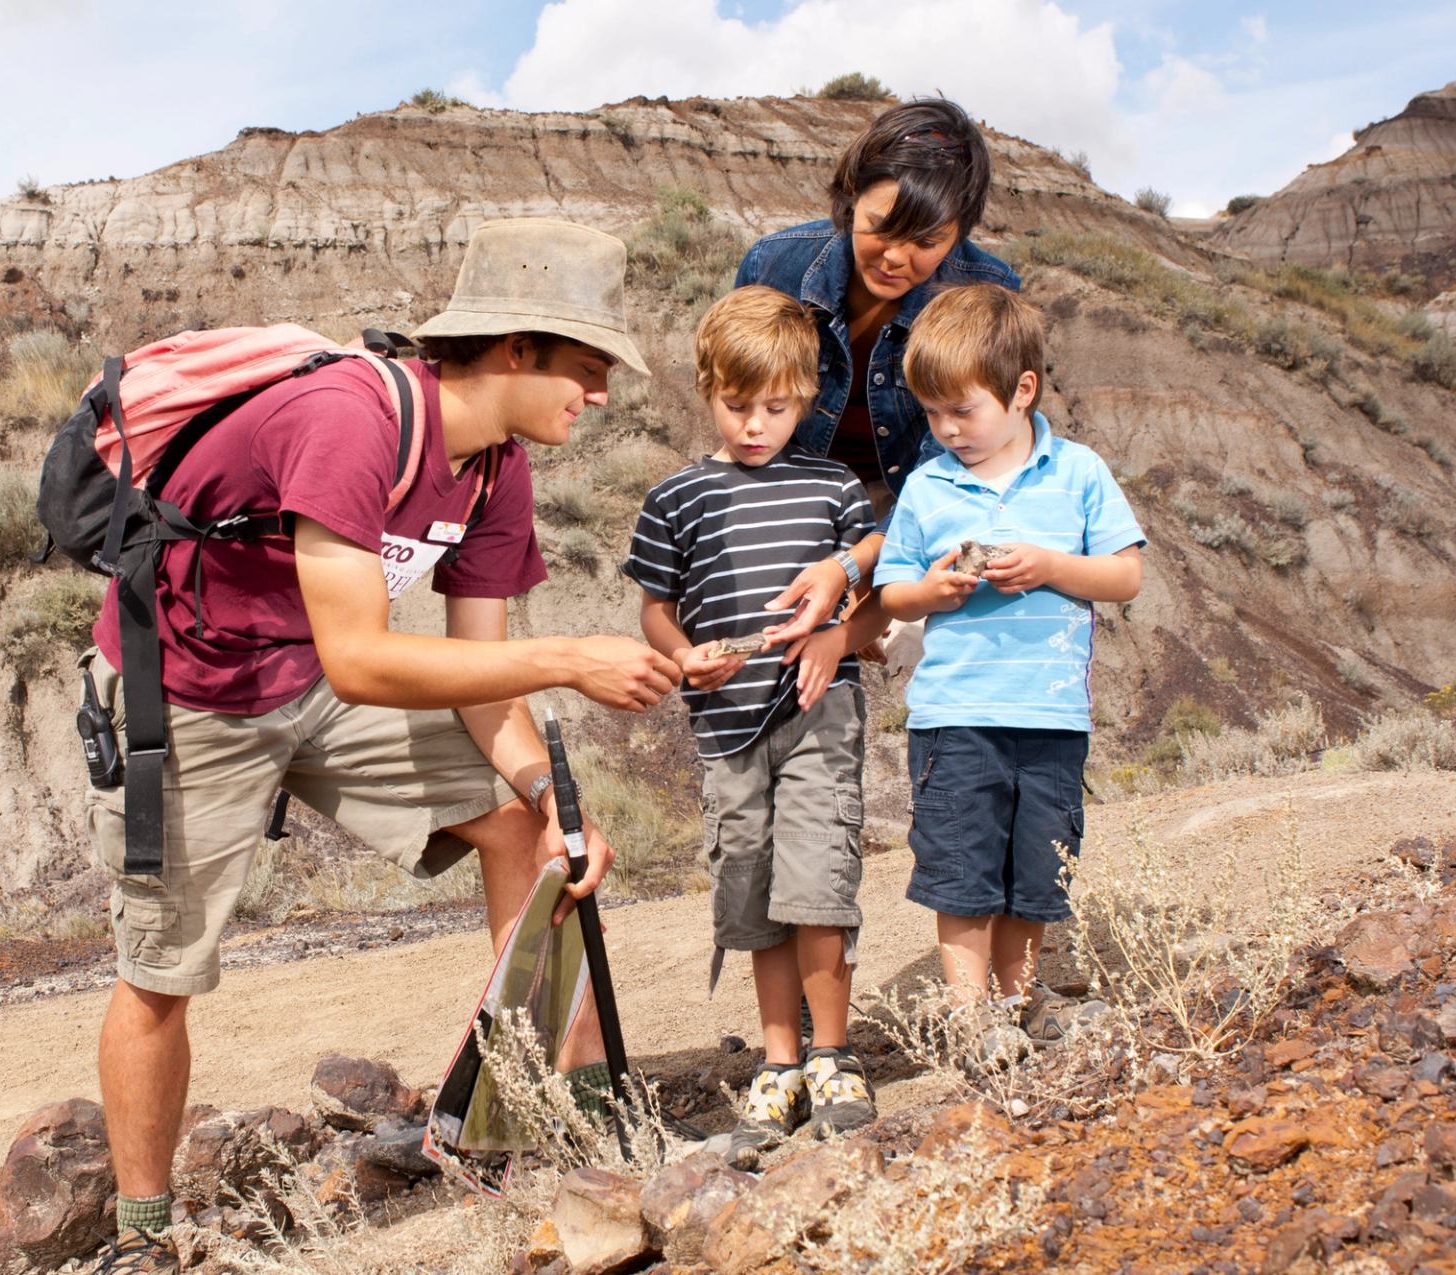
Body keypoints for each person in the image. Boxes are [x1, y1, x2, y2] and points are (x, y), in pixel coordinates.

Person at [80, 219, 682, 1273]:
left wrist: (551, 796)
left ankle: (548, 1119)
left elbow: (481, 679)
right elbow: (365, 657)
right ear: (514, 350)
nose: (599, 397)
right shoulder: (350, 419)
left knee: (522, 832)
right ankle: (141, 1234)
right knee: (163, 967)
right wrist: (573, 657)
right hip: (190, 691)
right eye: (588, 370)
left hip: (311, 675)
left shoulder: (498, 471)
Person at [621, 286, 879, 1167]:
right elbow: (656, 610)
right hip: (726, 730)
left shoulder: (835, 488)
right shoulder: (677, 498)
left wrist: (840, 619)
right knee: (756, 896)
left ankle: (835, 1055)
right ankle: (780, 1064)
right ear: (707, 389)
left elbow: (871, 576)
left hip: (818, 714)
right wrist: (686, 656)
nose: (757, 424)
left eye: (776, 406)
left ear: (806, 396)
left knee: (819, 881)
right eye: (738, 406)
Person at [860, 283, 1144, 1012]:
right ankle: (969, 1013)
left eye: (963, 409)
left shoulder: (1079, 471)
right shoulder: (928, 487)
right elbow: (893, 594)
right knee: (961, 868)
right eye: (932, 413)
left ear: (1022, 390)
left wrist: (1049, 566)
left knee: (1035, 875)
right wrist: (935, 592)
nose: (947, 428)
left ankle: (1019, 1000)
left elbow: (1125, 575)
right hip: (956, 715)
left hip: (1052, 718)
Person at [732, 96, 1021, 651]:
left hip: (920, 493)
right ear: (850, 199)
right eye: (880, 227)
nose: (894, 257)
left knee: (908, 625)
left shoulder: (986, 292)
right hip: (801, 484)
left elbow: (962, 463)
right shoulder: (775, 264)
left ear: (959, 233)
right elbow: (741, 398)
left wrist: (859, 566)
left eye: (927, 241)